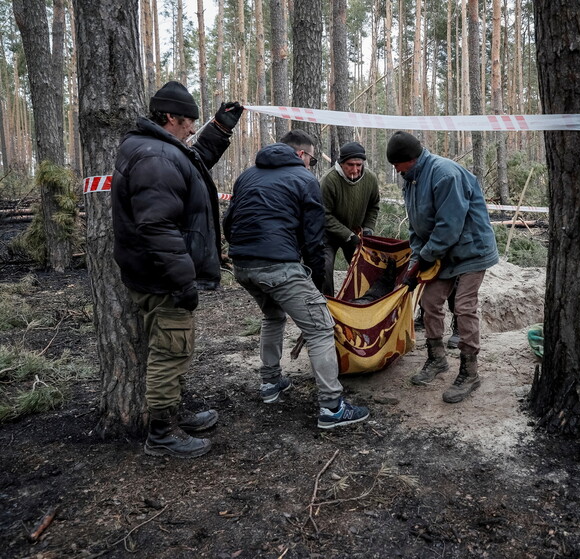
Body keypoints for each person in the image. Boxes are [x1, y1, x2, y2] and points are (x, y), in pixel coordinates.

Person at [112, 81, 243, 458]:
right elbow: (156, 227)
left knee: (174, 348)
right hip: (162, 277)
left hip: (154, 273)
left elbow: (193, 161)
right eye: (188, 122)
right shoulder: (155, 158)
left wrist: (220, 129)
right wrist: (183, 279)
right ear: (170, 117)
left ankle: (174, 413)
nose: (191, 128)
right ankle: (162, 433)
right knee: (171, 351)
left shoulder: (158, 149)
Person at [223, 130, 370, 429]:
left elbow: (228, 221)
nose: (312, 164)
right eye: (312, 158)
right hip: (279, 265)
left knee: (273, 316)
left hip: (243, 264)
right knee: (320, 328)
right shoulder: (304, 180)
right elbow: (314, 239)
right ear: (301, 154)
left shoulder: (247, 176)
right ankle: (332, 407)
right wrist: (316, 281)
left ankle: (271, 382)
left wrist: (242, 252)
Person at [387, 131, 499, 403]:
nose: (395, 170)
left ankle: (469, 372)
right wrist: (416, 261)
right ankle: (437, 359)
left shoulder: (444, 174)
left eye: (396, 164)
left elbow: (449, 226)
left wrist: (427, 256)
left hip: (471, 250)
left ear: (409, 159)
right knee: (430, 302)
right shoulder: (410, 180)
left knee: (463, 306)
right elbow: (416, 225)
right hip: (442, 252)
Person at [320, 141, 380, 296]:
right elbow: (324, 214)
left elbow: (374, 206)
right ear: (341, 163)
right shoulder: (329, 180)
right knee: (324, 268)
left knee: (365, 268)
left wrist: (368, 228)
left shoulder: (371, 179)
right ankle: (327, 306)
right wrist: (347, 235)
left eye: (359, 165)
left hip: (355, 232)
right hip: (328, 235)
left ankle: (362, 302)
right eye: (350, 165)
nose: (355, 169)